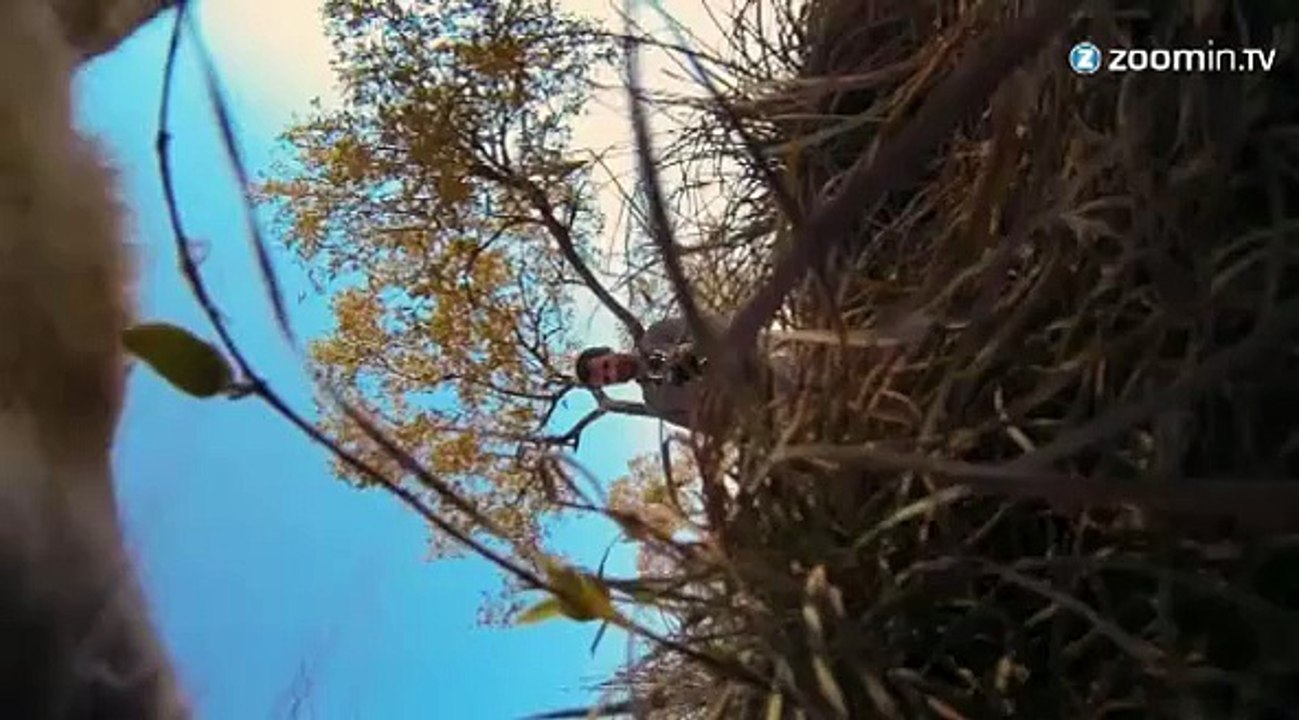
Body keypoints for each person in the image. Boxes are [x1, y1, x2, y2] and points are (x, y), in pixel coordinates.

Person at [574, 315, 791, 430]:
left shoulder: (656, 334)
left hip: (771, 355)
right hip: (770, 408)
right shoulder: (655, 403)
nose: (613, 373)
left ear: (609, 351)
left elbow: (714, 325)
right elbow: (710, 428)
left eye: (605, 365)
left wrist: (690, 354)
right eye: (607, 379)